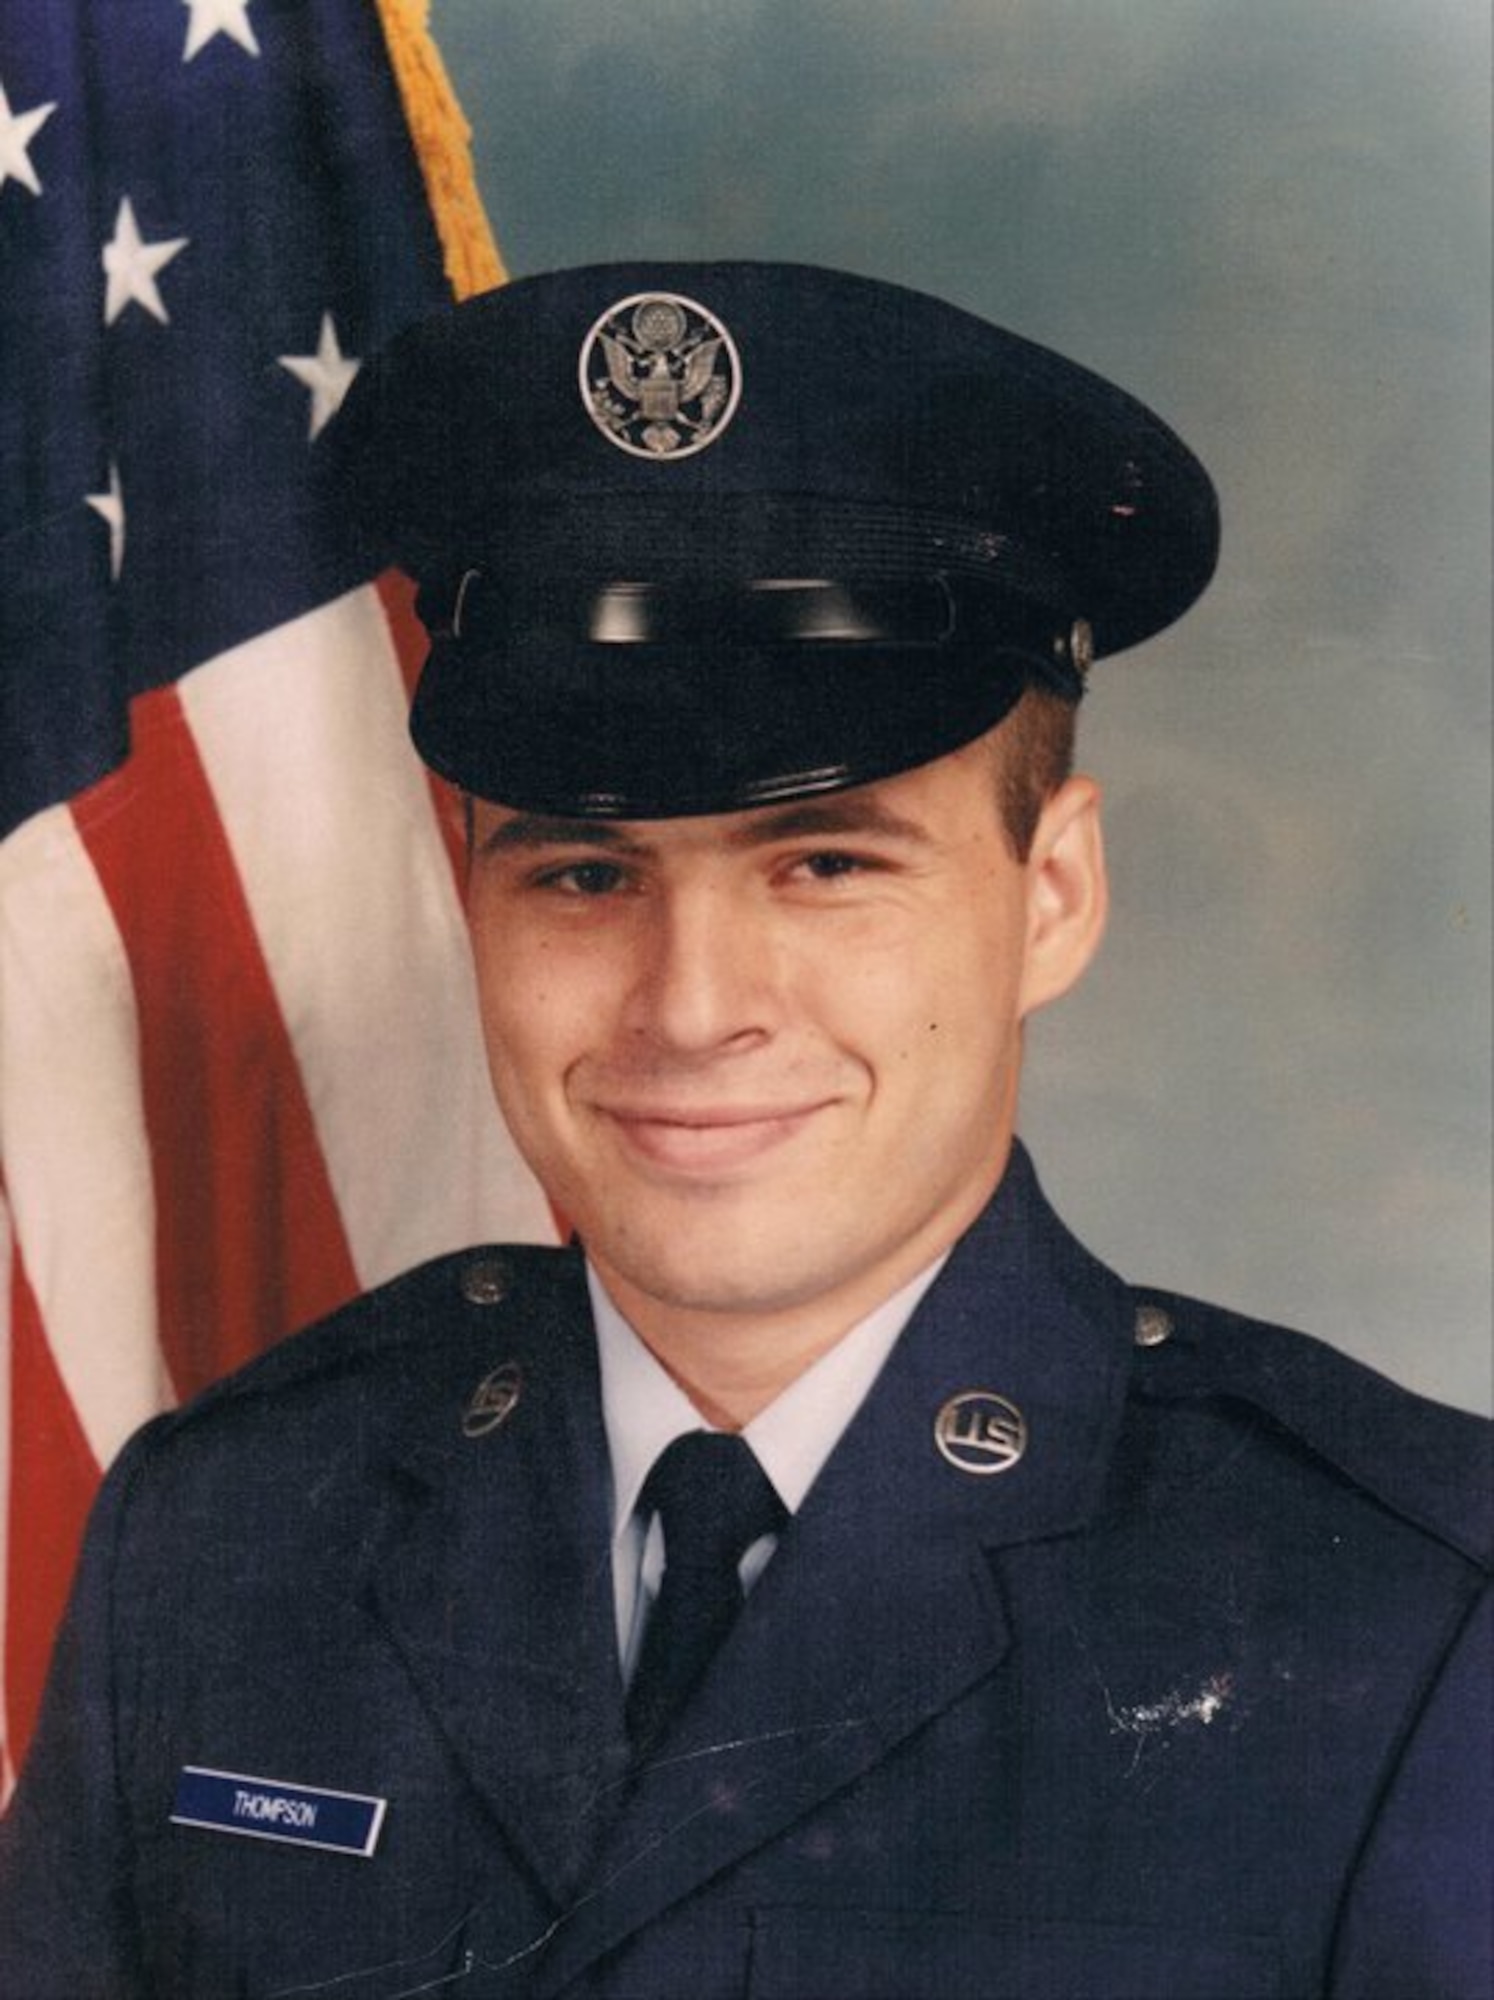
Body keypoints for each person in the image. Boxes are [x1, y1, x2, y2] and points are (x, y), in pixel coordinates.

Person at [0, 262, 1487, 2000]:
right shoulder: (230, 1531)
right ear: (469, 905)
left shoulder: (1402, 1619)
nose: (690, 1006)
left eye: (827, 862)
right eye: (581, 870)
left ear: (1053, 896)